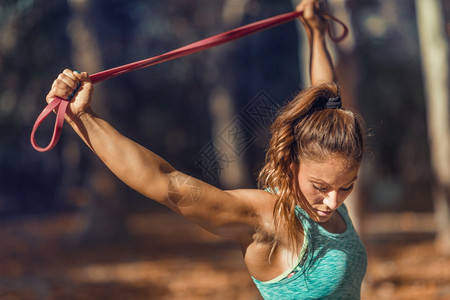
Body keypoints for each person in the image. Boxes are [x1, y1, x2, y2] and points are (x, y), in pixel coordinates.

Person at [46, 0, 367, 298]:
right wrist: (83, 117)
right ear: (293, 163)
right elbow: (167, 184)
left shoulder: (329, 185)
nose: (333, 201)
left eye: (346, 187)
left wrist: (315, 32)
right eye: (321, 187)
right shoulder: (265, 218)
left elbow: (325, 99)